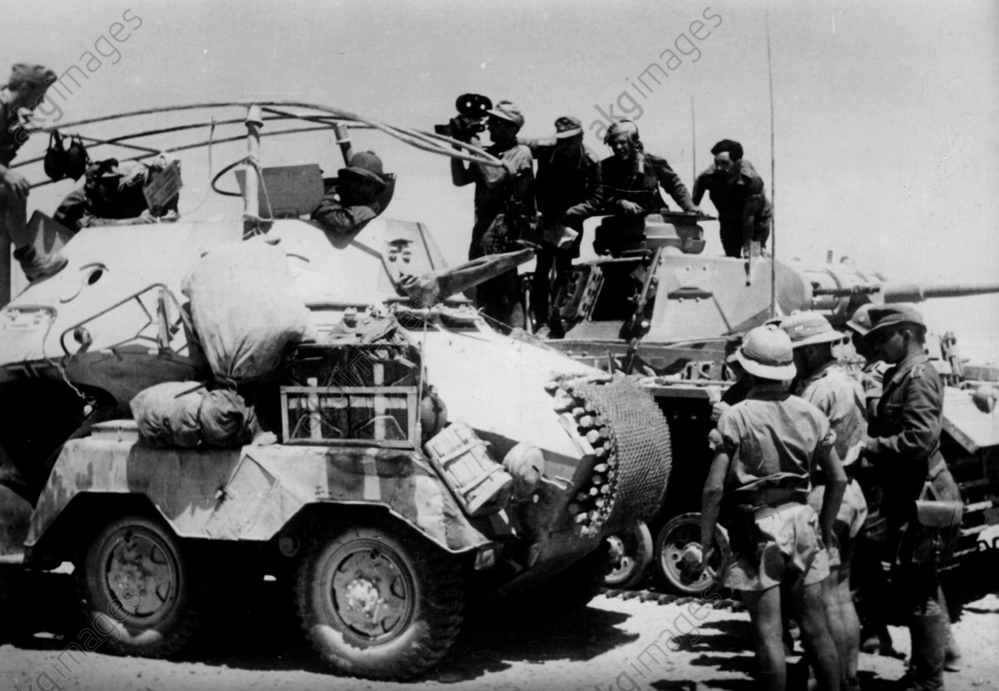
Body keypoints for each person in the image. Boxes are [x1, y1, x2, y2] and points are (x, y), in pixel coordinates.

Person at [695, 324, 846, 691]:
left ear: (748, 370)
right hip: (803, 522)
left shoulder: (735, 416)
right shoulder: (811, 413)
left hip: (758, 528)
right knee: (816, 629)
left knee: (768, 635)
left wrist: (707, 541)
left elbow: (713, 488)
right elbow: (838, 479)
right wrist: (825, 528)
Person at [862, 304, 959, 690]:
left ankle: (928, 682)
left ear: (908, 333)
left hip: (926, 496)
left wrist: (870, 445)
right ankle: (930, 668)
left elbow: (917, 441)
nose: (878, 346)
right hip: (916, 494)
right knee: (918, 584)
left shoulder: (918, 377)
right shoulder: (901, 374)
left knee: (920, 592)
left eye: (884, 337)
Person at [782, 311, 869, 691]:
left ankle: (828, 680)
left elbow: (799, 449)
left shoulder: (817, 390)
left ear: (810, 351)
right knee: (841, 594)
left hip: (824, 493)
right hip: (850, 491)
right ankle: (849, 677)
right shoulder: (848, 380)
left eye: (794, 352)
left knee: (822, 600)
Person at [450, 99, 534, 331]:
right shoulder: (490, 154)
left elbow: (494, 179)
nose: (489, 126)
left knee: (504, 289)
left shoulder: (520, 153)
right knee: (482, 287)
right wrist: (456, 146)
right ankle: (494, 334)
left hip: (502, 225)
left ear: (512, 128)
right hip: (484, 225)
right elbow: (460, 179)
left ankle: (516, 337)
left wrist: (472, 142)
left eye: (496, 122)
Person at [518, 115, 602, 337]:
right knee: (541, 271)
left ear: (581, 137)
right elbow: (516, 142)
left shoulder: (591, 161)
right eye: (561, 140)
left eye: (569, 140)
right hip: (545, 219)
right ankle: (541, 321)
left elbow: (596, 199)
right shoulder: (546, 149)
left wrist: (572, 214)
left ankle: (557, 321)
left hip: (570, 224)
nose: (564, 145)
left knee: (564, 273)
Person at [0, 63, 65, 285]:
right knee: (12, 190)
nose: (43, 101)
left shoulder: (10, 111)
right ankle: (31, 261)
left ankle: (31, 263)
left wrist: (25, 129)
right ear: (25, 88)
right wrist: (6, 174)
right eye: (41, 93)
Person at [599, 119, 699, 217]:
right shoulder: (605, 167)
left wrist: (689, 206)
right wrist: (620, 203)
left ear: (633, 142)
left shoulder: (653, 163)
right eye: (614, 144)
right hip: (622, 222)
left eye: (622, 142)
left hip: (655, 219)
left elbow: (674, 185)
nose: (618, 147)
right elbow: (599, 196)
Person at [692, 139, 773, 258]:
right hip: (729, 220)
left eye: (724, 163)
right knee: (731, 256)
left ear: (737, 163)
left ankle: (758, 254)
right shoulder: (708, 177)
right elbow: (692, 205)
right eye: (716, 162)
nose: (719, 168)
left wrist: (748, 248)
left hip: (756, 221)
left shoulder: (752, 181)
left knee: (753, 257)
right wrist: (693, 209)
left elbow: (748, 218)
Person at [54, 156, 181, 230]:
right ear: (91, 183)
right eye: (108, 183)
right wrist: (133, 222)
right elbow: (90, 226)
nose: (113, 188)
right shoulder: (75, 202)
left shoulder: (106, 199)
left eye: (115, 182)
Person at [312, 151, 393, 235]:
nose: (361, 187)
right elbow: (340, 221)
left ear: (375, 188)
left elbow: (343, 221)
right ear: (347, 179)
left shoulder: (370, 209)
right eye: (357, 179)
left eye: (368, 183)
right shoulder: (331, 195)